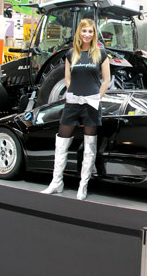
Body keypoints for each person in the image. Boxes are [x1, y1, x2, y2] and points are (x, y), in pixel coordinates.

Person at [42, 18, 110, 200]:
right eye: (84, 31)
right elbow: (67, 78)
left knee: (89, 145)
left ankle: (83, 185)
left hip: (91, 104)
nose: (87, 34)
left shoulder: (101, 54)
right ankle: (56, 182)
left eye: (90, 31)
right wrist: (72, 93)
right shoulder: (71, 54)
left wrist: (97, 97)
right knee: (61, 142)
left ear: (94, 34)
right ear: (79, 33)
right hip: (72, 102)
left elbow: (107, 80)